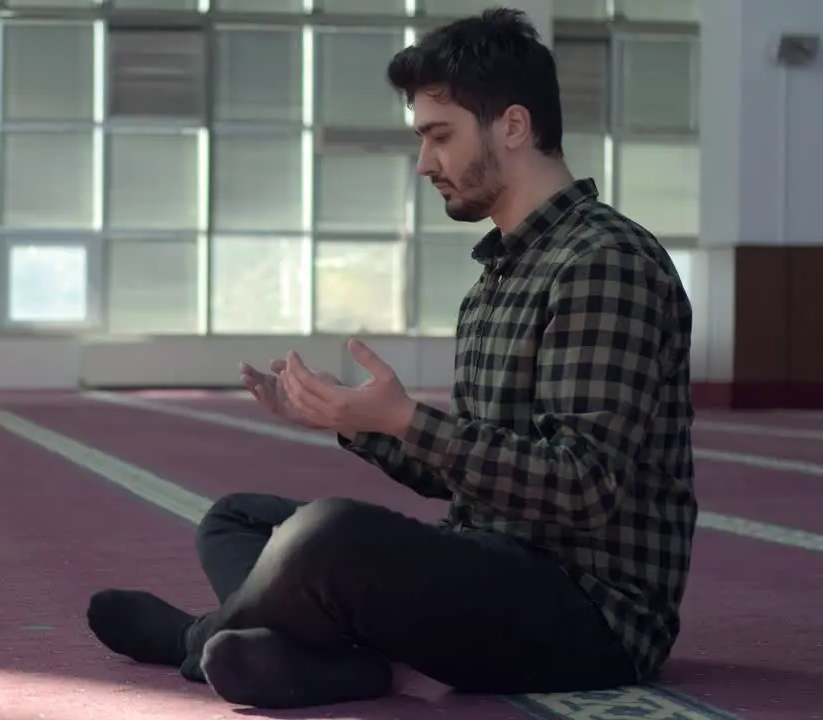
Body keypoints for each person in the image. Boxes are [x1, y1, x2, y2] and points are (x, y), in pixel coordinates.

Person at [85, 7, 697, 710]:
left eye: (440, 136)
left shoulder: (602, 264)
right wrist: (353, 419)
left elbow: (582, 487)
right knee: (240, 519)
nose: (424, 163)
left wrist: (408, 419)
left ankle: (199, 638)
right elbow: (475, 479)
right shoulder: (499, 278)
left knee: (328, 535)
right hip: (491, 565)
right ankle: (343, 665)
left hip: (585, 611)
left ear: (514, 126)